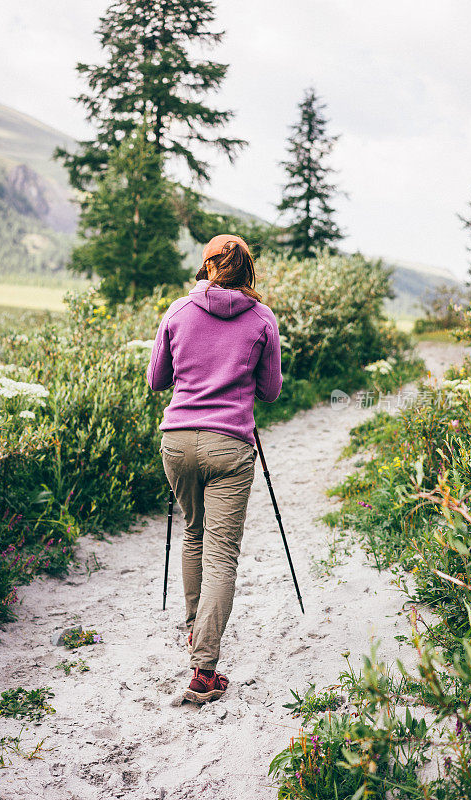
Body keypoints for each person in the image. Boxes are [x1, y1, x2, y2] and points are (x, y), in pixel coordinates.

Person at [147, 233, 283, 703]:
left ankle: (194, 627)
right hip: (230, 445)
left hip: (178, 441)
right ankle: (204, 670)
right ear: (248, 271)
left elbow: (156, 379)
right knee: (222, 554)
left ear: (206, 266)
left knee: (193, 534)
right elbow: (269, 391)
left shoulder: (177, 311)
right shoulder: (262, 318)